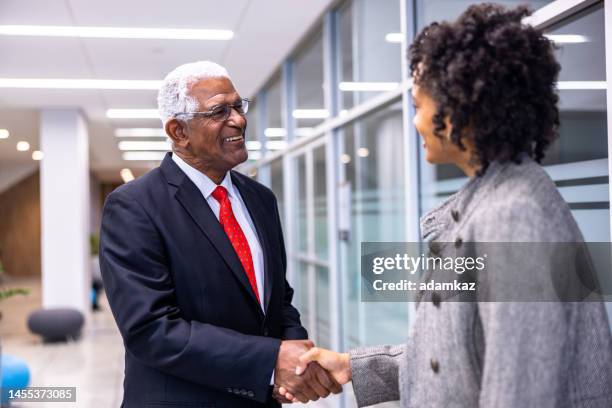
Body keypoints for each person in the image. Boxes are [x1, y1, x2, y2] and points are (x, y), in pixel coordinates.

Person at [281, 4, 612, 407]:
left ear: (461, 110)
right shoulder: (491, 200)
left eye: (420, 105)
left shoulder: (512, 216)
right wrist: (353, 364)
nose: (416, 121)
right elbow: (456, 355)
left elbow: (521, 389)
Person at [100, 61, 341, 407]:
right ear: (178, 131)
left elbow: (278, 299)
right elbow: (151, 330)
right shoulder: (134, 206)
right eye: (219, 111)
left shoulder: (260, 199)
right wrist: (272, 360)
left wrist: (297, 359)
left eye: (239, 106)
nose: (239, 119)